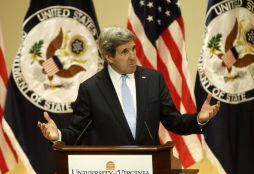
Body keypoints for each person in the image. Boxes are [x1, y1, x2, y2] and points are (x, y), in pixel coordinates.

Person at [37, 26, 220, 146]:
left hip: (150, 166)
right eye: (125, 52)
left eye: (133, 48)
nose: (133, 56)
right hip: (110, 171)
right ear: (109, 56)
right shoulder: (91, 89)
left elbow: (174, 121)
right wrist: (58, 136)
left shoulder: (153, 79)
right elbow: (77, 131)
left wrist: (200, 119)